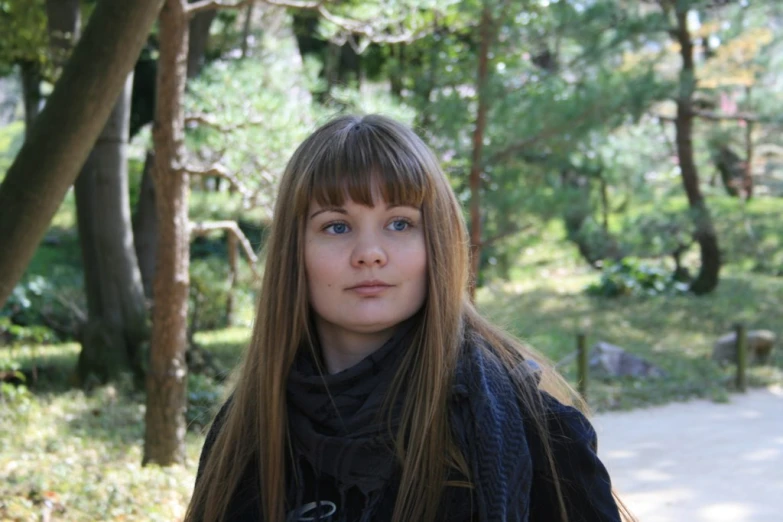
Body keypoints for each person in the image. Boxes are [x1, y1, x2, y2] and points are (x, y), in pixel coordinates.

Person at [186, 114, 633, 522]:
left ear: (436, 240)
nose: (370, 254)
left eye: (399, 223)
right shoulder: (243, 434)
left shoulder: (536, 432)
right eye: (336, 226)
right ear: (294, 252)